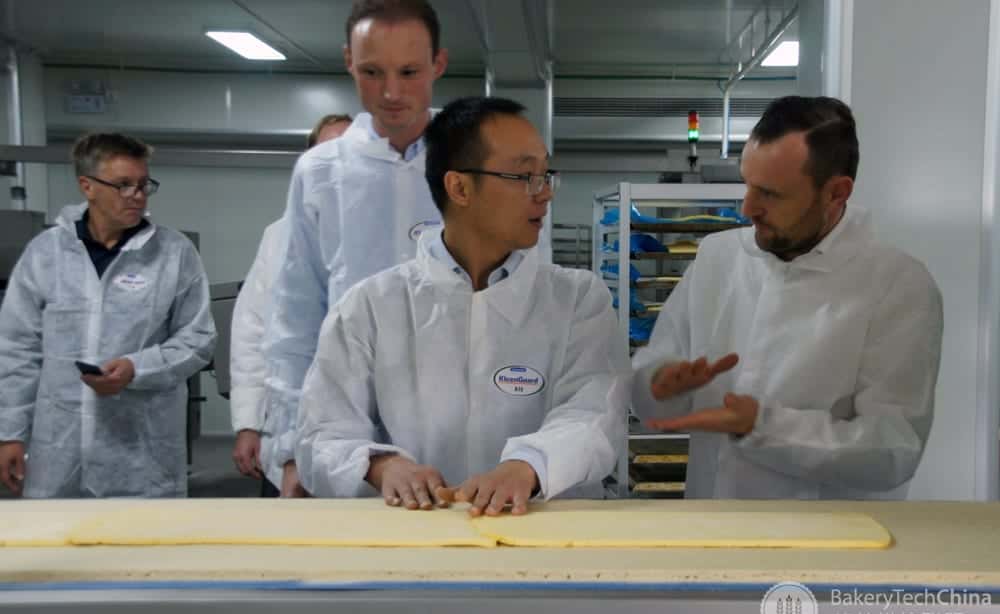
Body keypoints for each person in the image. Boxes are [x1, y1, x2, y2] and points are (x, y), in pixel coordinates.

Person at [295, 96, 629, 516]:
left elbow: (595, 414)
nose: (543, 193)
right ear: (459, 187)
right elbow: (320, 434)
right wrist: (382, 465)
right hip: (413, 539)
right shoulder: (372, 306)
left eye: (546, 175)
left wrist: (528, 466)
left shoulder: (578, 300)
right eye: (526, 175)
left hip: (547, 539)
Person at [631, 96, 944, 500]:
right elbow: (653, 374)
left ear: (836, 194)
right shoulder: (719, 257)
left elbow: (892, 450)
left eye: (770, 194)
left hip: (828, 549)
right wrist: (660, 384)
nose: (747, 208)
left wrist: (760, 426)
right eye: (747, 185)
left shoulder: (898, 285)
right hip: (710, 529)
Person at [261, 0, 448, 497]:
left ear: (438, 65)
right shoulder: (321, 172)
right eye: (371, 72)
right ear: (348, 61)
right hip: (347, 427)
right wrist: (292, 446)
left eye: (409, 71)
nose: (391, 92)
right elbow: (296, 318)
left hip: (463, 425)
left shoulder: (477, 158)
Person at [0, 132, 216, 498]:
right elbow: (17, 348)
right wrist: (10, 433)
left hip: (143, 455)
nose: (137, 195)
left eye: (144, 184)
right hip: (59, 451)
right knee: (60, 548)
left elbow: (198, 340)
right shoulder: (46, 253)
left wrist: (138, 368)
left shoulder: (174, 254)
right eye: (123, 185)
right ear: (87, 186)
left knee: (142, 552)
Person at [230, 113, 353, 497]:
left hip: (363, 437)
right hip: (287, 431)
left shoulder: (391, 236)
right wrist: (249, 422)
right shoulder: (279, 236)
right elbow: (252, 331)